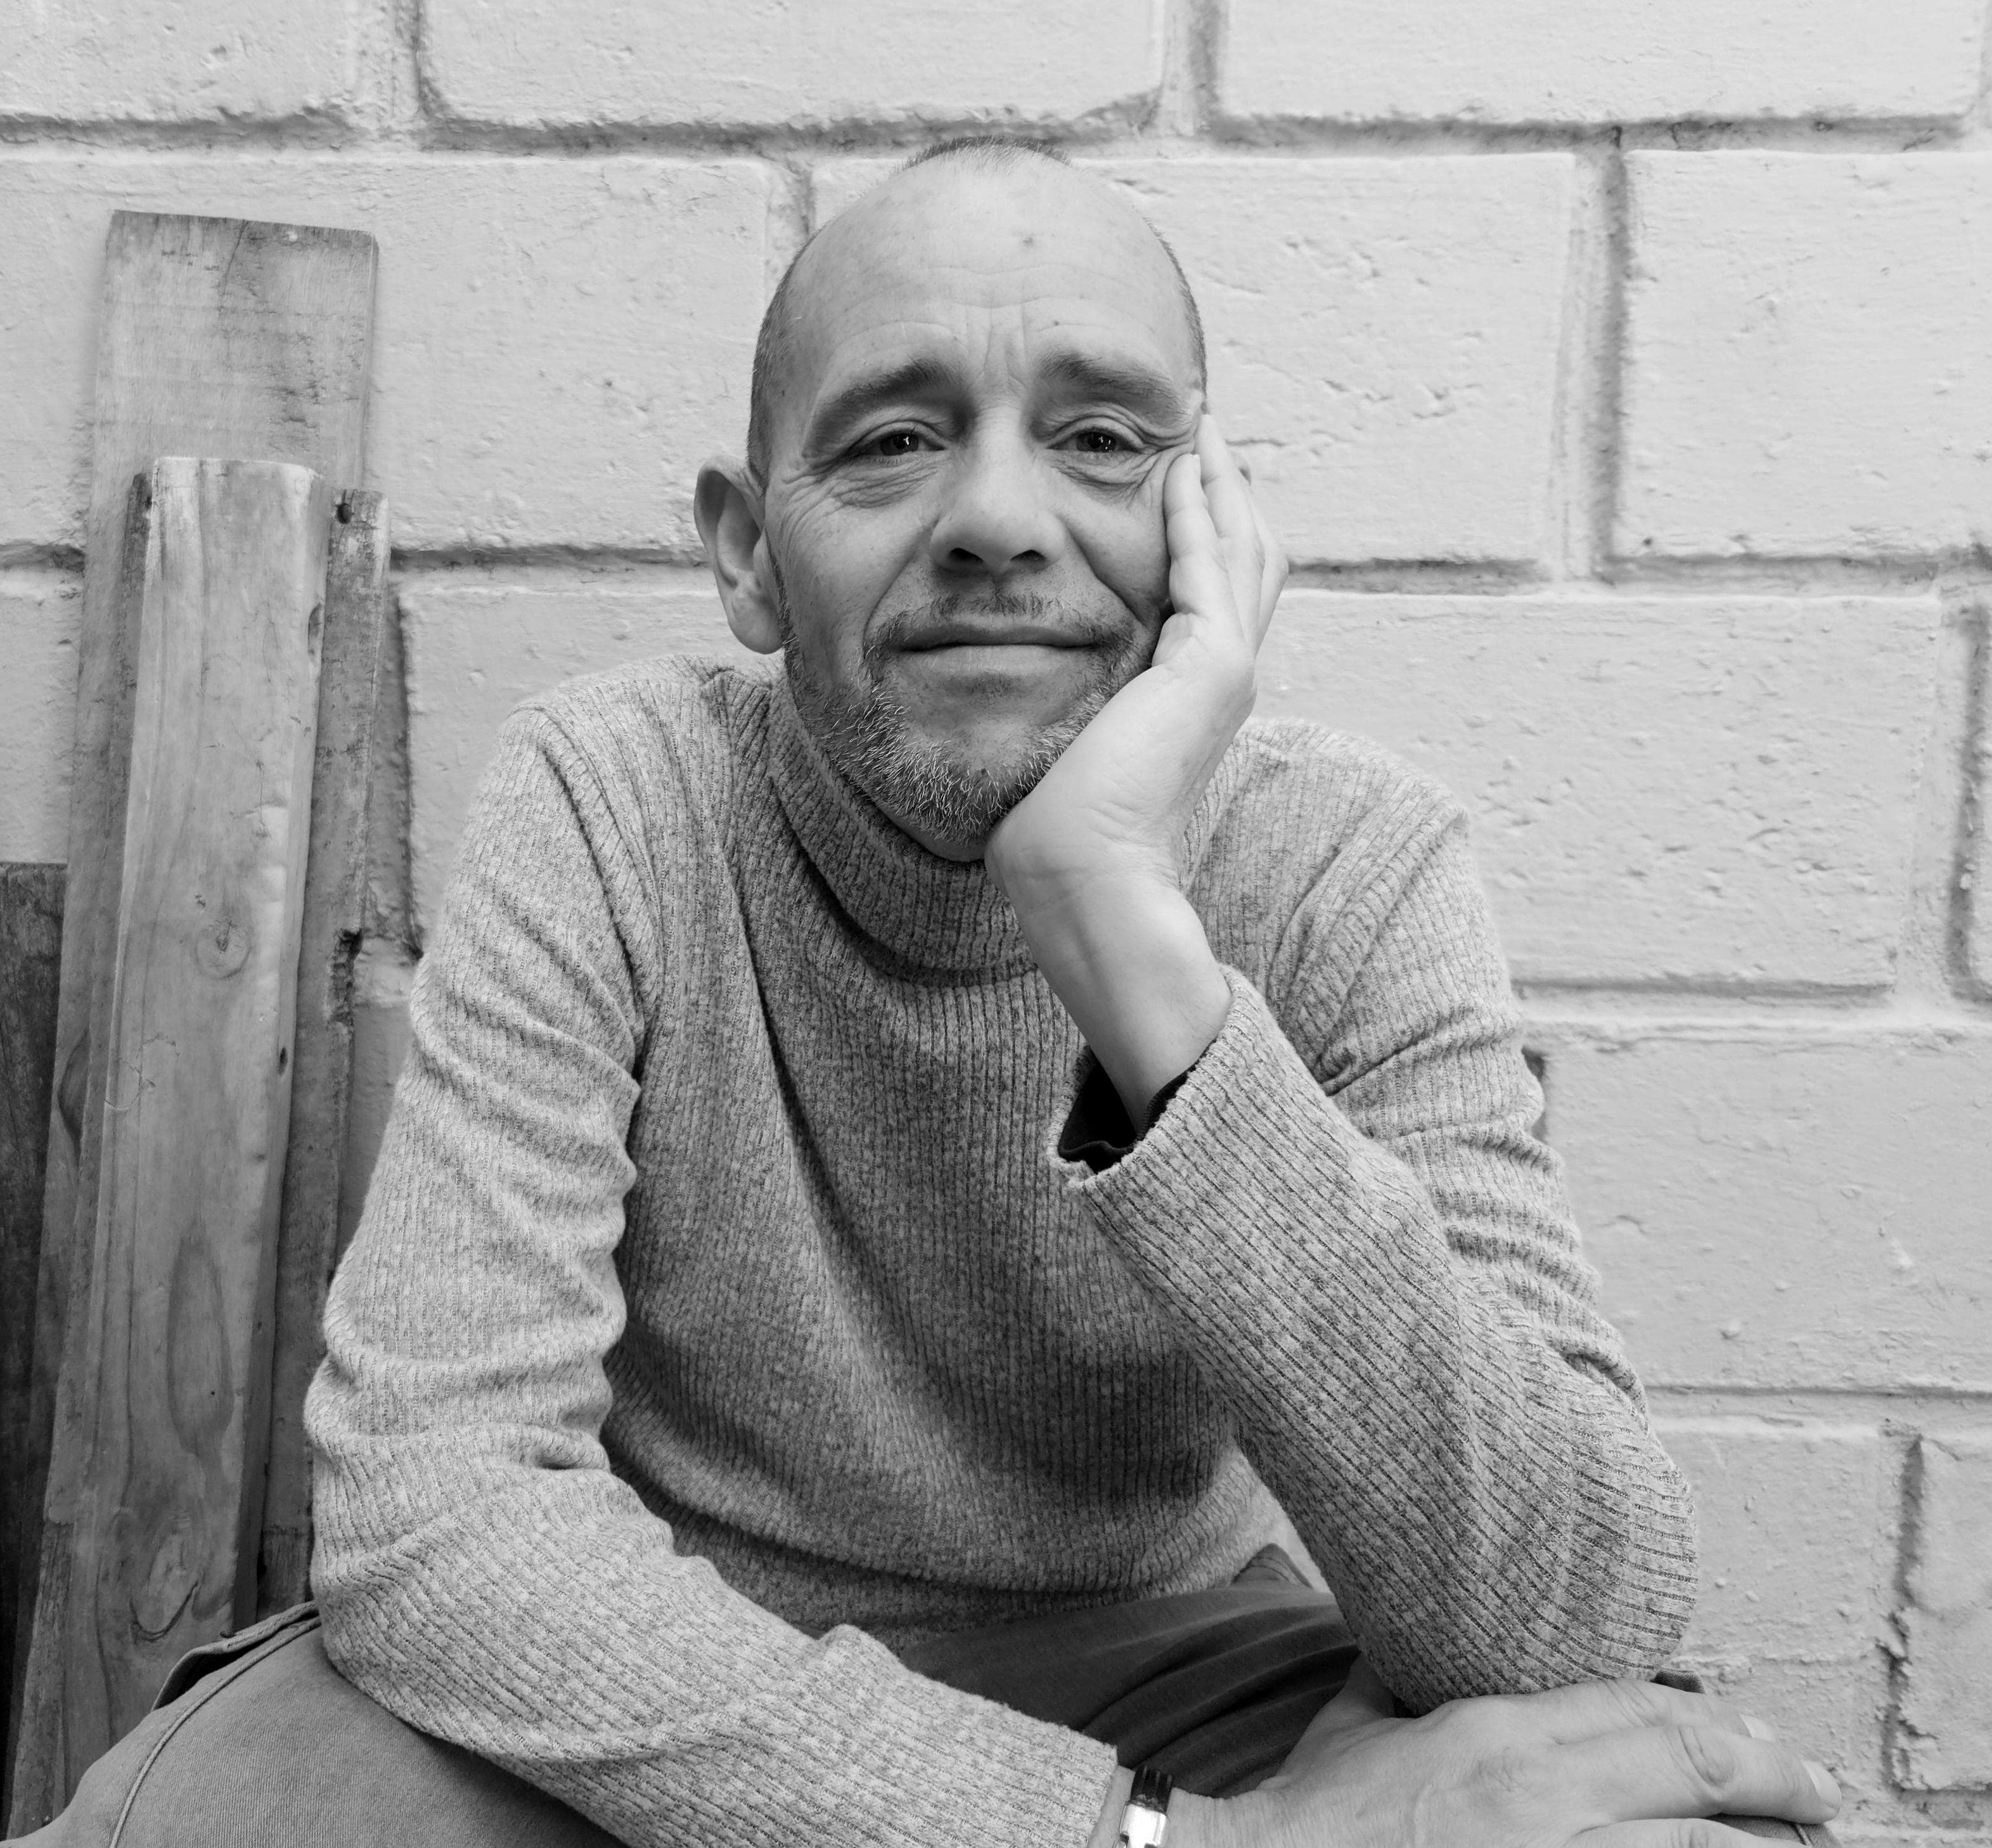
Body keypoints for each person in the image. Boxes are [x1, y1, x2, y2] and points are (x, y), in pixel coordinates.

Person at [22, 138, 1843, 1848]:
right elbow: (437, 1506)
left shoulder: (1351, 859)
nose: (996, 520)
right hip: (649, 1665)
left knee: (1646, 1807)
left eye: (1102, 440)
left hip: (1177, 1656)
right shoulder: (614, 797)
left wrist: (1115, 921)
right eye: (893, 442)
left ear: (1218, 523)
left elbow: (1564, 1618)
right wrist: (1135, 1842)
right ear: (750, 551)